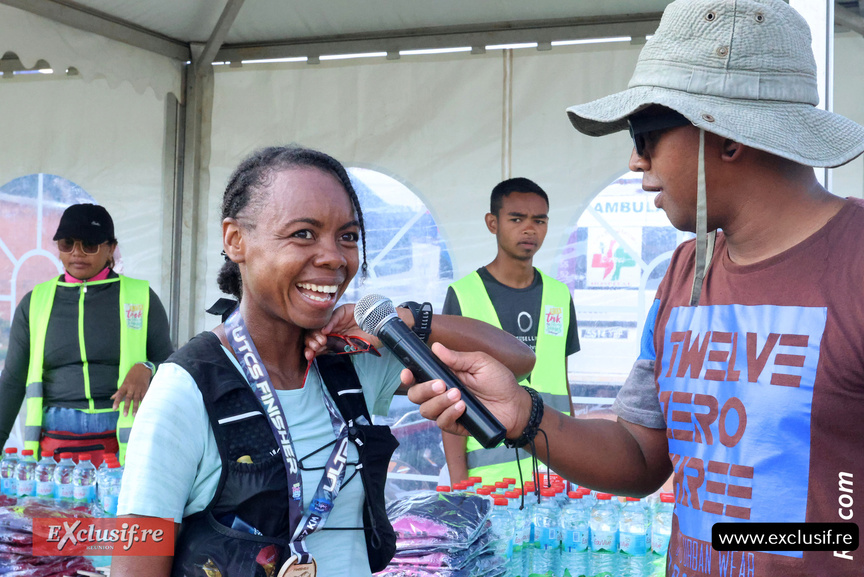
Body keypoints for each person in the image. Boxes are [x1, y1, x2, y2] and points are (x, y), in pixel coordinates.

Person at [405, 1, 864, 576]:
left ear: (727, 136)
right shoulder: (682, 273)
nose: (635, 160)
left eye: (645, 134)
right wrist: (523, 414)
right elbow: (643, 455)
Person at [111, 146, 534, 577]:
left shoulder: (352, 363)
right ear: (236, 240)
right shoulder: (187, 388)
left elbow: (518, 359)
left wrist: (399, 322)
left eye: (348, 237)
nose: (334, 256)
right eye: (303, 234)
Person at [0, 203, 173, 466]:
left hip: (122, 445)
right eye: (67, 243)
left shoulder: (141, 297)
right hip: (54, 446)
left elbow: (173, 369)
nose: (77, 253)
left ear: (110, 248)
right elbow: (12, 382)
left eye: (89, 244)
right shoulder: (35, 302)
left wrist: (147, 367)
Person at [440, 177, 579, 486]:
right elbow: (448, 393)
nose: (529, 229)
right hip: (487, 484)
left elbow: (563, 382)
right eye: (516, 219)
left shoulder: (559, 295)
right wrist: (460, 486)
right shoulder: (463, 294)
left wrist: (575, 469)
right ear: (493, 223)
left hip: (553, 479)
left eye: (539, 220)